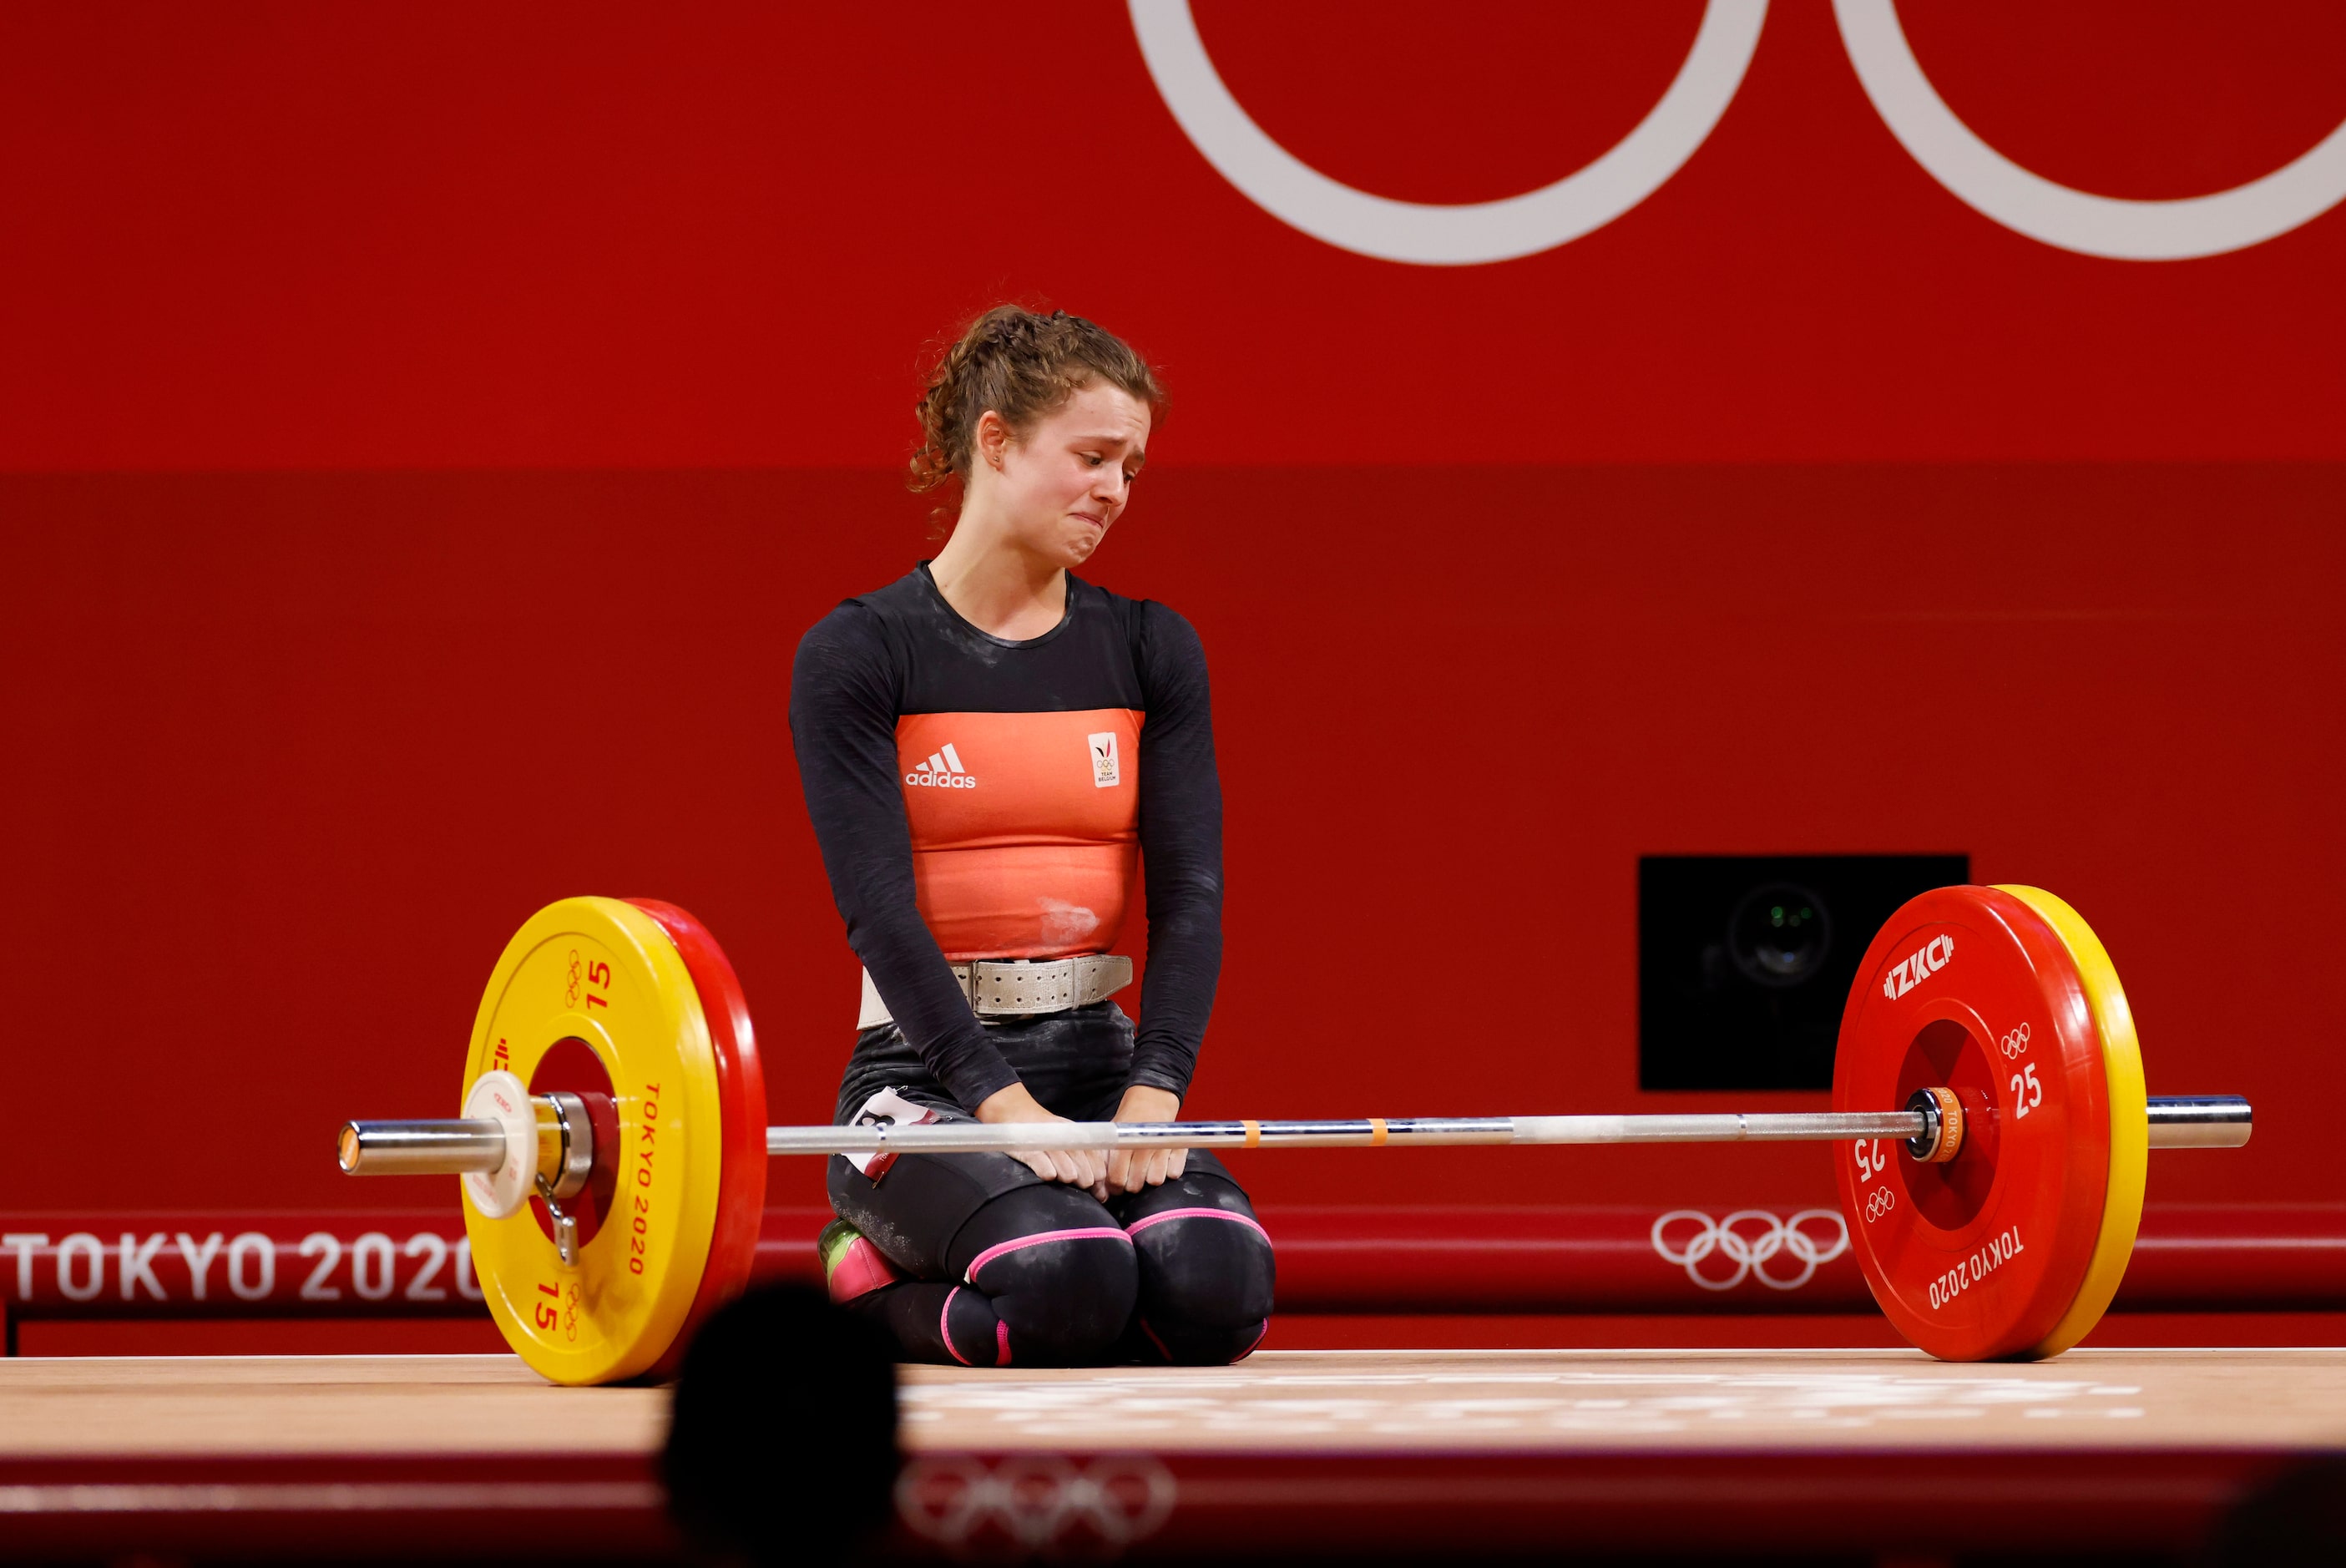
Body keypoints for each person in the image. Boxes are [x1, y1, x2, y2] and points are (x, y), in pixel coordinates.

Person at [789, 306, 1274, 1367]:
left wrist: (1154, 1093)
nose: (1115, 491)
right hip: (919, 1078)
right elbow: (879, 912)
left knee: (1217, 1286)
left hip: (1098, 1061)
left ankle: (1076, 1247)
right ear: (996, 441)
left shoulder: (1151, 647)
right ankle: (856, 1276)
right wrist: (1002, 1109)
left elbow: (1190, 897)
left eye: (1133, 469)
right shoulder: (859, 653)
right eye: (1092, 456)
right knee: (1061, 1280)